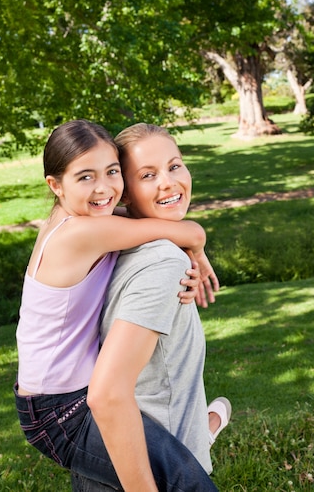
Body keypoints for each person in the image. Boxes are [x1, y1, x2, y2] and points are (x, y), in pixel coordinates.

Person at [14, 119, 223, 492]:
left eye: (112, 172)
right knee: (186, 483)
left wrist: (188, 248)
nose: (103, 188)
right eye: (85, 177)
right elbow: (189, 229)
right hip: (61, 410)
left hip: (51, 401)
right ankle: (195, 440)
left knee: (175, 471)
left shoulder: (76, 220)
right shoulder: (83, 232)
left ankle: (197, 432)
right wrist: (195, 247)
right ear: (55, 185)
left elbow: (147, 220)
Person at [73, 123, 231, 492]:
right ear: (124, 193)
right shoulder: (163, 262)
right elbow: (109, 393)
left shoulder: (113, 245)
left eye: (175, 166)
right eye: (148, 175)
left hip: (107, 459)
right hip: (149, 468)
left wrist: (192, 243)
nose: (168, 182)